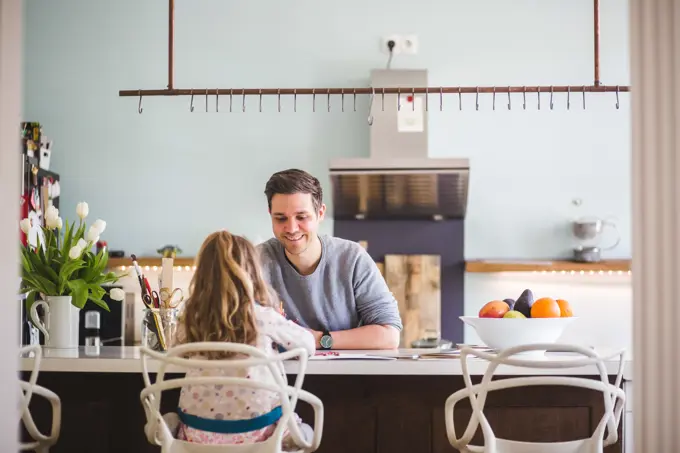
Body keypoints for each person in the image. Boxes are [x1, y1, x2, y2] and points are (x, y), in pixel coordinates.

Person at [170, 230, 316, 448]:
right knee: (305, 432)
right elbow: (307, 344)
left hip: (198, 439)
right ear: (253, 272)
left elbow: (177, 351)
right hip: (263, 438)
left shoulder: (192, 318)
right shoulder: (263, 317)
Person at [258, 168, 403, 350]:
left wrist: (318, 339)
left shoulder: (352, 258)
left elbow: (389, 335)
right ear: (270, 214)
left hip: (344, 376)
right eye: (280, 219)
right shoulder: (257, 260)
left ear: (320, 213)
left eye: (302, 217)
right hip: (279, 377)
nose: (292, 228)